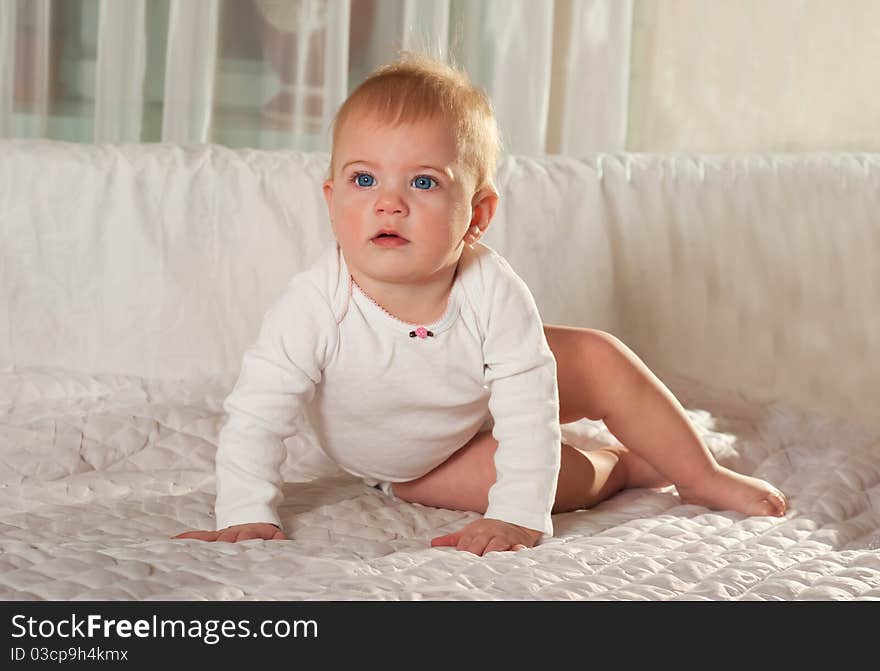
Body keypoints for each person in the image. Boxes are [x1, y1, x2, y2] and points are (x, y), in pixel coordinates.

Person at [175, 53, 787, 556]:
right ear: (332, 200)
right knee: (542, 481)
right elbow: (258, 412)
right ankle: (623, 467)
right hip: (417, 459)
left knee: (595, 355)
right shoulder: (315, 303)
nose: (389, 204)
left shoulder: (491, 287)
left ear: (478, 214)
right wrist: (245, 511)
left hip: (477, 393)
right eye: (365, 181)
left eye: (423, 182)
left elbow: (525, 395)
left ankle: (699, 472)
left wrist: (516, 519)